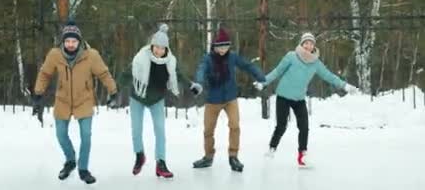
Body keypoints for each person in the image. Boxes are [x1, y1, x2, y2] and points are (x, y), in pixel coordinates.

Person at [32, 20, 119, 184]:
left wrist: (113, 91)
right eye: (67, 41)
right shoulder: (55, 55)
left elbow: (104, 74)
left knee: (86, 136)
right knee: (60, 134)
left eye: (74, 41)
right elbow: (44, 74)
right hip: (62, 100)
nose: (70, 44)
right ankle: (70, 160)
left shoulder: (91, 55)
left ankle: (83, 169)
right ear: (63, 41)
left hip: (84, 100)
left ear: (79, 41)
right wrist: (38, 93)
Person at [254, 32, 358, 167]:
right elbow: (277, 71)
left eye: (311, 43)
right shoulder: (291, 56)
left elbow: (329, 76)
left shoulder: (316, 63)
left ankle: (302, 156)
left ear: (314, 45)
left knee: (304, 127)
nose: (309, 46)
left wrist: (344, 85)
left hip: (299, 98)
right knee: (281, 126)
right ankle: (272, 148)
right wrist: (263, 82)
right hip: (283, 96)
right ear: (302, 44)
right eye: (306, 43)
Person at [127, 24, 203, 178]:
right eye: (157, 47)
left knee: (160, 131)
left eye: (162, 48)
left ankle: (160, 163)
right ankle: (139, 156)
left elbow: (179, 75)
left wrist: (191, 85)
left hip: (156, 99)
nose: (159, 51)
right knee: (136, 130)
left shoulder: (170, 62)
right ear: (152, 45)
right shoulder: (141, 57)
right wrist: (114, 92)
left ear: (166, 49)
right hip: (137, 97)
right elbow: (126, 73)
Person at [192, 28, 266, 172]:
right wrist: (199, 83)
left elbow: (247, 65)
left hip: (230, 98)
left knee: (234, 125)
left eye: (226, 46)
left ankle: (233, 157)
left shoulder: (232, 57)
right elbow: (201, 70)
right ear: (214, 46)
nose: (223, 49)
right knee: (208, 130)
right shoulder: (208, 58)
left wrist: (261, 77)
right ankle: (208, 157)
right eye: (220, 46)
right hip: (213, 99)